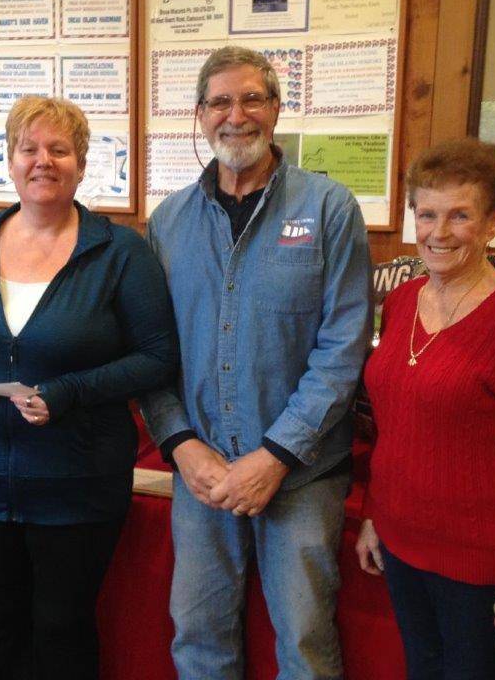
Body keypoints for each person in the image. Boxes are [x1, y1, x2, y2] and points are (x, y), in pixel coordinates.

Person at [0, 96, 178, 680]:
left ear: (81, 163)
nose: (43, 161)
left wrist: (68, 392)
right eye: (29, 148)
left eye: (59, 149)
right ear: (10, 160)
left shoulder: (120, 252)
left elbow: (157, 357)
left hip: (76, 481)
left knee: (63, 626)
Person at [142, 46, 372, 680]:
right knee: (198, 635)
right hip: (203, 473)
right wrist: (183, 444)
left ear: (275, 108)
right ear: (199, 115)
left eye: (251, 99)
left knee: (304, 643)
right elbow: (153, 353)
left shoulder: (328, 208)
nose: (235, 115)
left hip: (301, 476)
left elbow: (343, 347)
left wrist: (275, 456)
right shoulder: (168, 223)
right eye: (219, 101)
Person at [356, 137, 495, 679]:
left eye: (461, 215)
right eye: (427, 214)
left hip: (477, 570)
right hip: (402, 550)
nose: (439, 232)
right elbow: (396, 427)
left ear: (493, 220)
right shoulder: (403, 299)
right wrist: (372, 517)